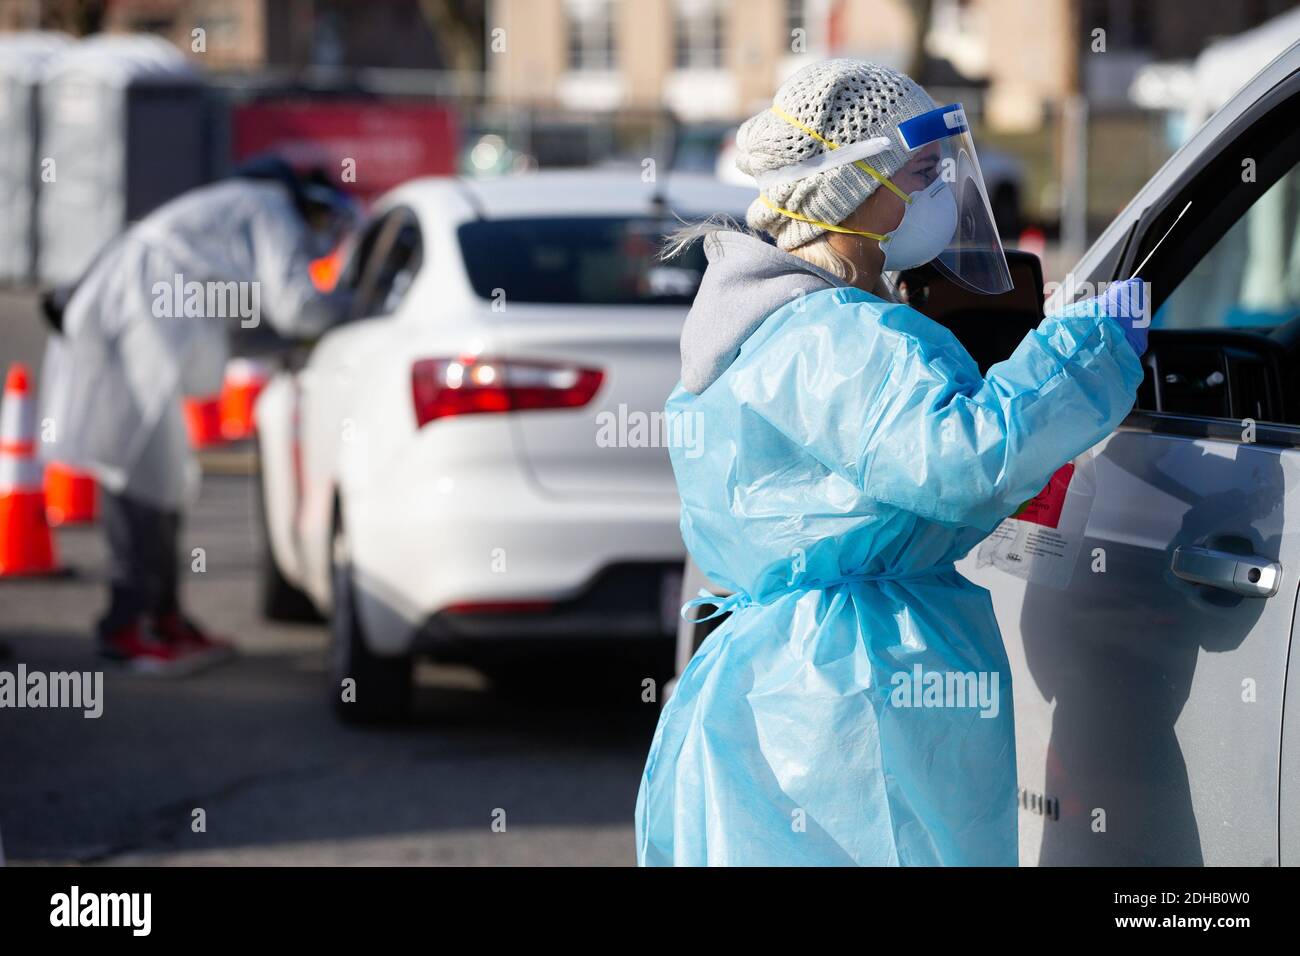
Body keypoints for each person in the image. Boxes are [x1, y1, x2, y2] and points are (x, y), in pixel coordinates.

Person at [635, 59, 1148, 865]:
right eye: (919, 172)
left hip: (789, 683)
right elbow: (969, 455)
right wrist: (1086, 348)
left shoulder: (768, 319)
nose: (941, 187)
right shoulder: (835, 336)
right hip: (855, 689)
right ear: (850, 187)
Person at [40, 158, 356, 673]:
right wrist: (353, 305)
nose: (319, 236)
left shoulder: (237, 213)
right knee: (140, 472)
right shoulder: (272, 208)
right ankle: (129, 623)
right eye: (322, 222)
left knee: (155, 474)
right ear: (311, 205)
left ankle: (160, 615)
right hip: (137, 316)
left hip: (135, 313)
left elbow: (252, 324)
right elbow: (299, 308)